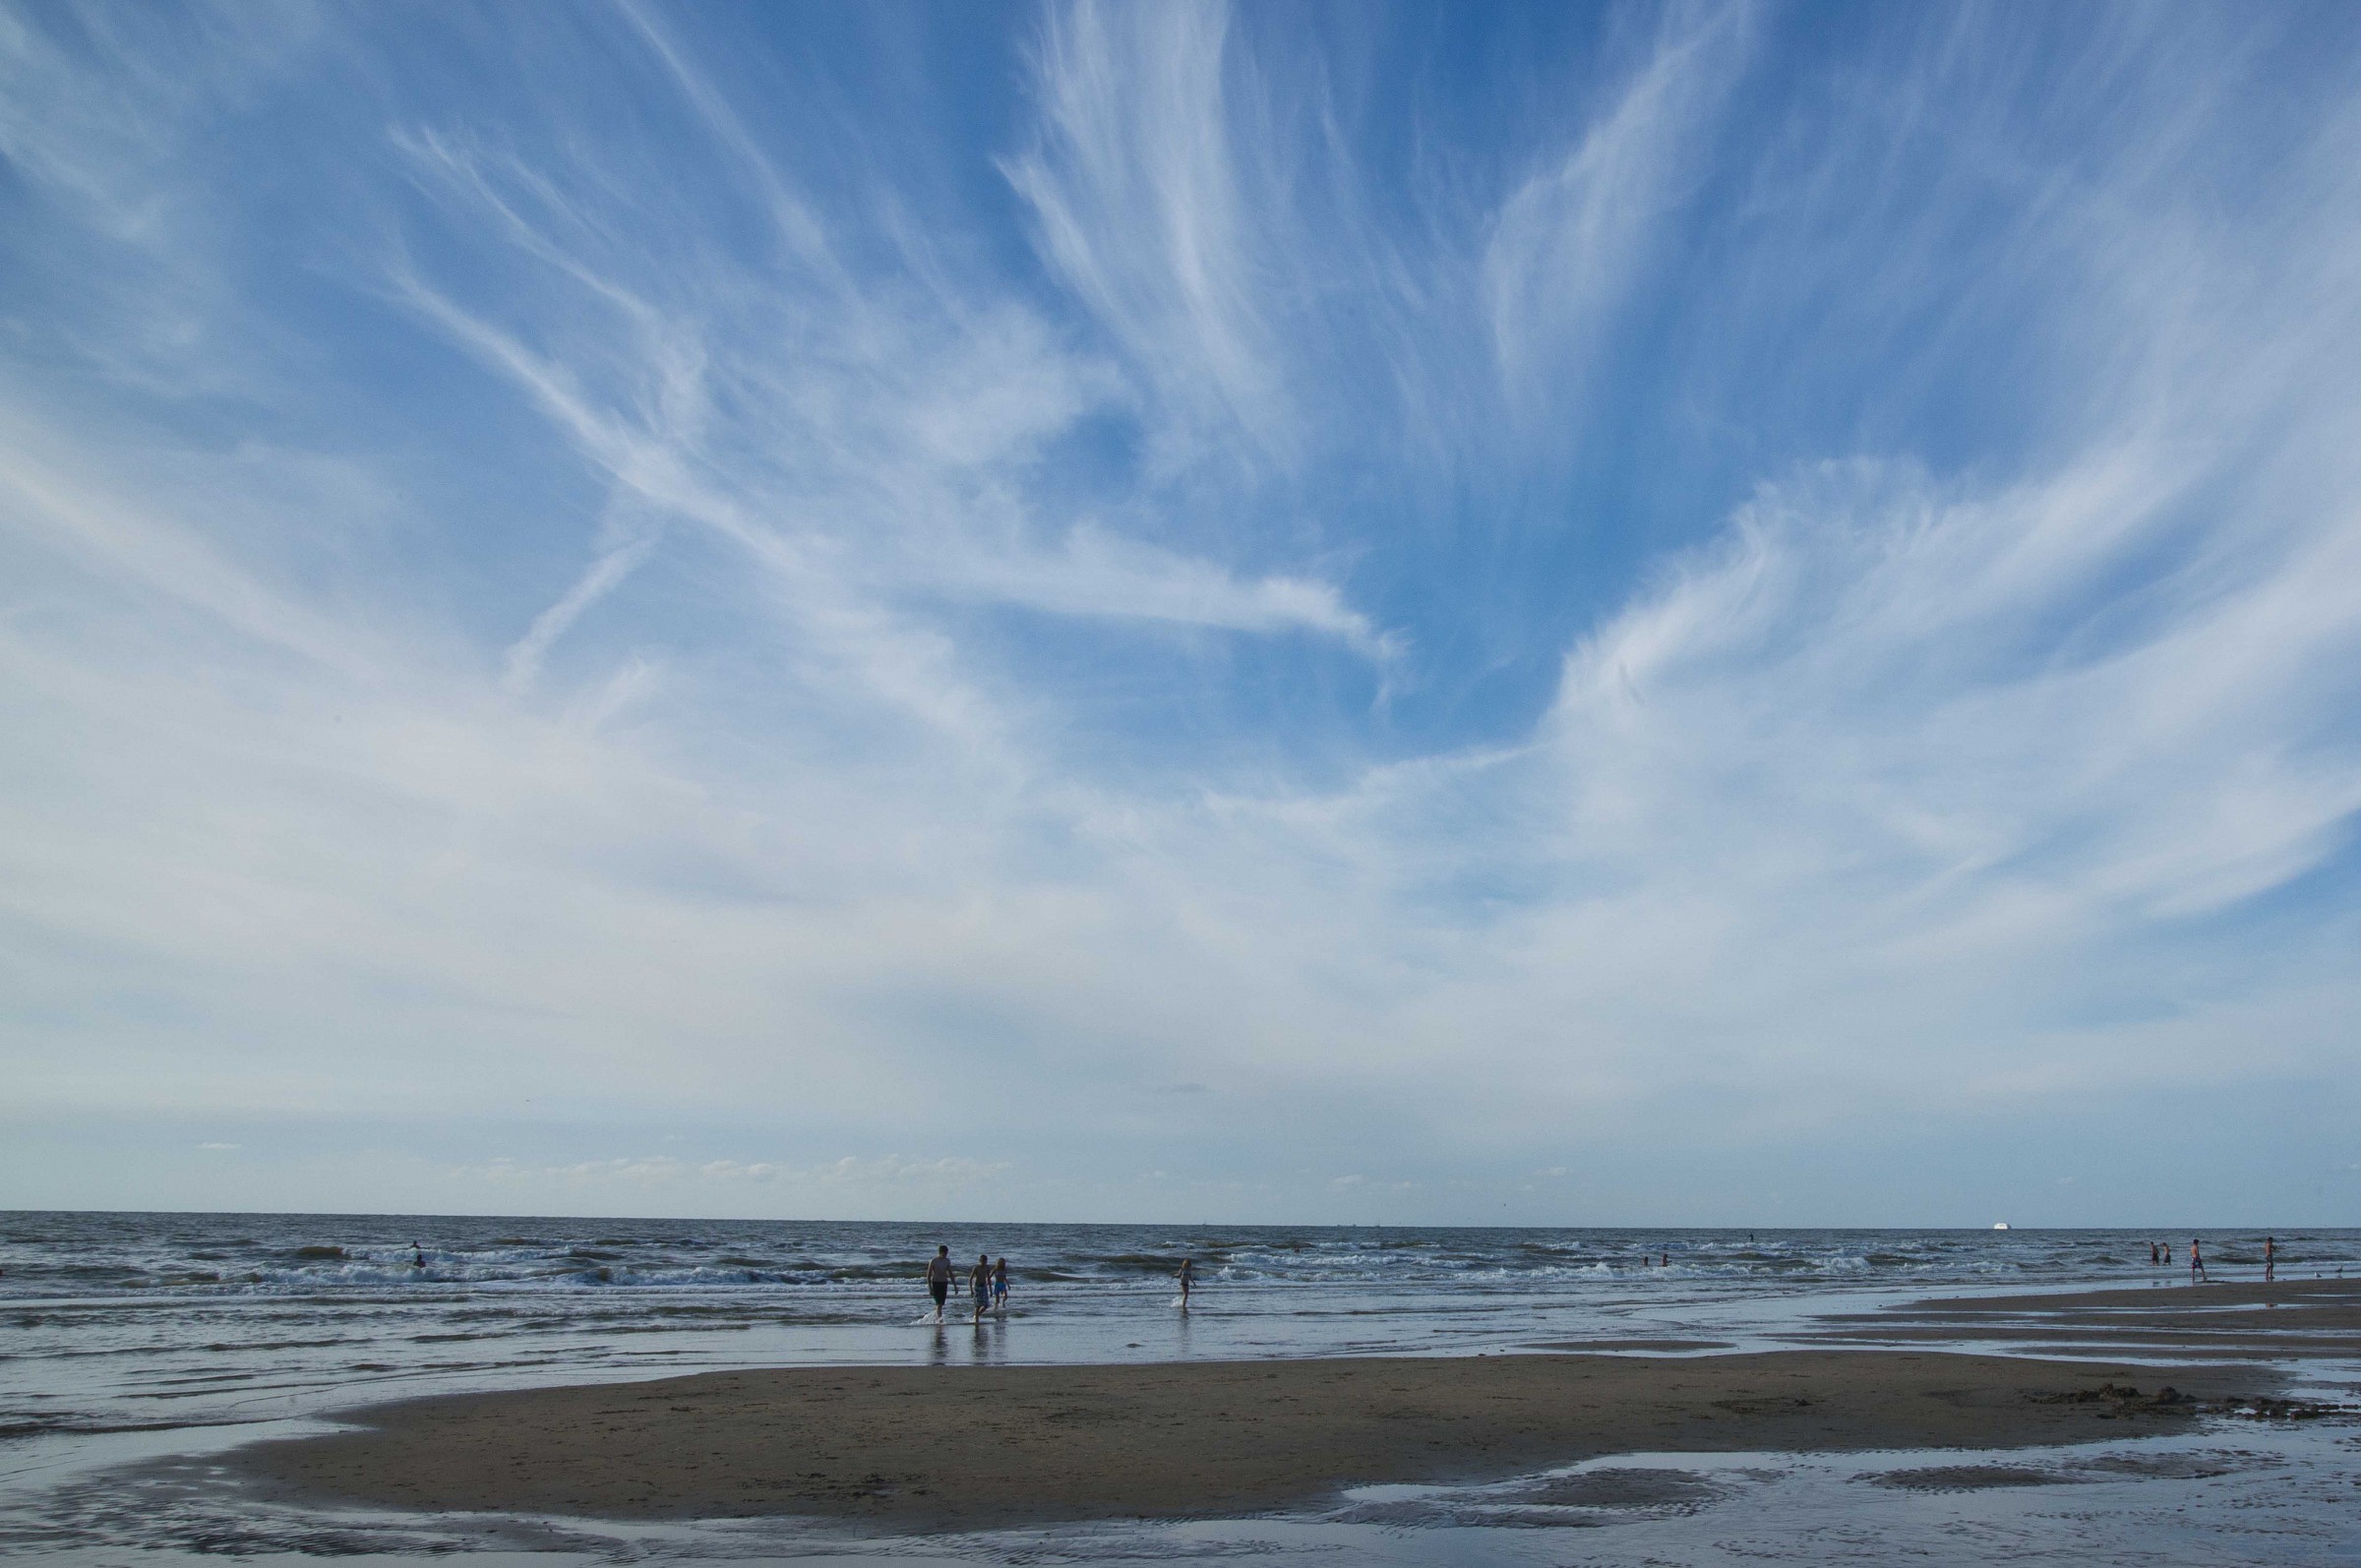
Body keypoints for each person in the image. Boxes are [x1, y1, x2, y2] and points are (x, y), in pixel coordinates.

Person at [925, 1245, 953, 1320]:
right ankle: (939, 1320)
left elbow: (950, 1273)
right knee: (939, 1303)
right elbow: (928, 1275)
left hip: (944, 1282)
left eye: (946, 1254)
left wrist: (955, 1286)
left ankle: (937, 1317)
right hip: (936, 1283)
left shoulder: (947, 1261)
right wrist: (930, 1288)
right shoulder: (933, 1261)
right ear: (940, 1253)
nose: (945, 1255)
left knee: (941, 1304)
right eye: (944, 1254)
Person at [970, 1253, 991, 1322]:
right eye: (983, 1261)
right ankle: (976, 1321)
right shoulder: (976, 1268)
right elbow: (970, 1279)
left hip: (984, 1286)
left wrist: (990, 1289)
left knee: (986, 1304)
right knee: (978, 1305)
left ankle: (977, 1315)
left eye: (985, 1261)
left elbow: (988, 1278)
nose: (984, 1263)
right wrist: (971, 1290)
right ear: (980, 1261)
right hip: (977, 1287)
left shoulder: (987, 1267)